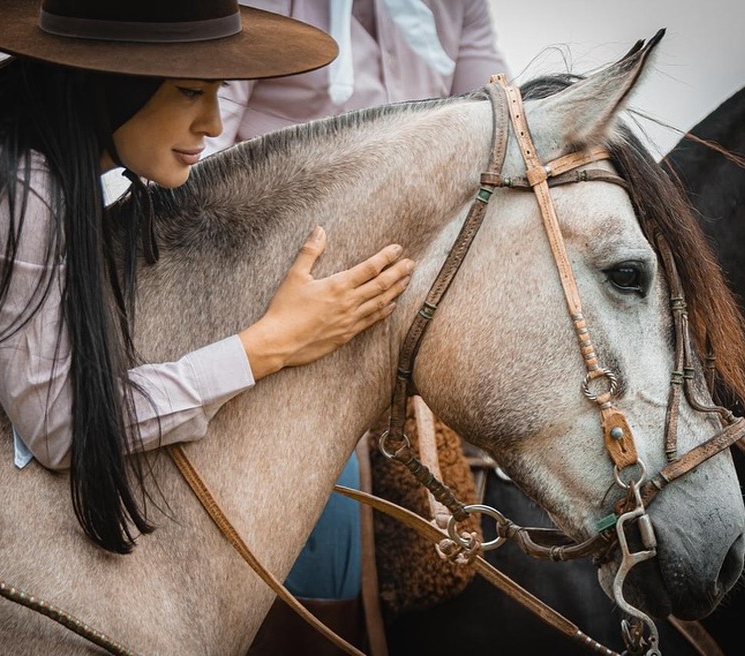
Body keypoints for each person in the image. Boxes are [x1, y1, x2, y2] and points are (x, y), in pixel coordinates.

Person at [0, 0, 416, 556]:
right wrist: (271, 344)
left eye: (216, 91)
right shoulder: (10, 183)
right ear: (107, 83)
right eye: (187, 91)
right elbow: (62, 426)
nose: (215, 123)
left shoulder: (39, 149)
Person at [202, 2, 509, 652]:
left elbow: (500, 125)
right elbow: (200, 144)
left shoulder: (458, 6)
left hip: (416, 288)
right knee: (330, 489)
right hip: (275, 284)